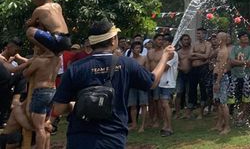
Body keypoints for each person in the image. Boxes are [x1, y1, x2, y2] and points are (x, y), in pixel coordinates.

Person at [52, 19, 174, 148]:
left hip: (80, 138)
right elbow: (152, 82)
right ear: (112, 40)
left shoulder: (75, 68)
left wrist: (74, 105)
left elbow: (58, 108)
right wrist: (165, 57)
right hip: (113, 138)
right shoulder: (127, 64)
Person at [23, 44, 60, 149]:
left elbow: (26, 73)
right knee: (46, 124)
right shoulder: (57, 59)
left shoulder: (39, 61)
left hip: (41, 92)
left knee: (39, 128)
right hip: (52, 91)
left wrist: (28, 64)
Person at [228, 31, 250, 121]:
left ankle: (243, 115)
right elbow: (231, 61)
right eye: (243, 36)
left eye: (247, 36)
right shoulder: (234, 49)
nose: (246, 38)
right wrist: (244, 63)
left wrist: (237, 62)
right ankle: (231, 115)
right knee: (232, 96)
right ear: (239, 39)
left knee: (246, 96)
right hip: (234, 76)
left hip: (246, 76)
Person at [188, 28, 212, 118]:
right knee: (192, 90)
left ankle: (201, 113)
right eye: (197, 33)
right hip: (193, 69)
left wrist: (195, 54)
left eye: (199, 33)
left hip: (203, 69)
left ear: (204, 34)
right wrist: (200, 56)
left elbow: (206, 56)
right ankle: (189, 112)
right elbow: (189, 56)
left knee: (203, 90)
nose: (198, 35)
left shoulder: (208, 44)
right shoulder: (194, 44)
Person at [158, 34, 178, 137]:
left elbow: (164, 67)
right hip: (162, 82)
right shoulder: (165, 53)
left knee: (166, 105)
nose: (162, 43)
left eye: (165, 42)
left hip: (168, 83)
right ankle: (165, 125)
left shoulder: (173, 54)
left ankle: (169, 127)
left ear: (169, 43)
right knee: (163, 105)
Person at [127, 41, 148, 132]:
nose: (138, 50)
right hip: (132, 84)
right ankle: (134, 124)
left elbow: (147, 71)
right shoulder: (129, 60)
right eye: (136, 48)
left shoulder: (144, 58)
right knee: (133, 105)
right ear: (132, 49)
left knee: (143, 105)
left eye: (139, 48)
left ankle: (142, 126)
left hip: (142, 84)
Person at [212, 32, 231, 135]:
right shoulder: (219, 50)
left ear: (222, 39)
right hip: (216, 76)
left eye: (218, 37)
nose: (216, 39)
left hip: (221, 78)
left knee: (223, 103)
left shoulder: (224, 51)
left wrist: (218, 82)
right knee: (218, 102)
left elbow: (222, 67)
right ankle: (219, 124)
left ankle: (227, 126)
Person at [146, 33, 165, 128]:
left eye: (162, 40)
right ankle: (151, 118)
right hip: (149, 78)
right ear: (154, 40)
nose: (160, 41)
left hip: (159, 79)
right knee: (150, 101)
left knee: (157, 100)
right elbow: (147, 64)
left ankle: (158, 120)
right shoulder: (150, 52)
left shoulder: (164, 52)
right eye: (159, 39)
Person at [175, 34, 192, 119]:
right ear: (181, 41)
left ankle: (188, 113)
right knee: (179, 92)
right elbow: (175, 64)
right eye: (184, 40)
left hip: (191, 74)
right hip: (181, 74)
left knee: (189, 93)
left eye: (187, 39)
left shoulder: (192, 50)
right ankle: (177, 112)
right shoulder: (178, 52)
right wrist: (181, 68)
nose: (186, 41)